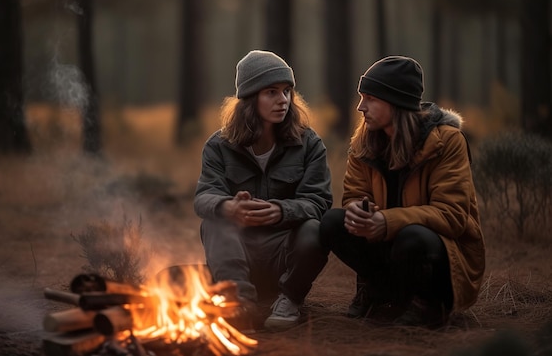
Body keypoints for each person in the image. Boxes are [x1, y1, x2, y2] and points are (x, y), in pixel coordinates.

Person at [319, 55, 486, 328]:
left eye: (371, 98)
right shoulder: (364, 141)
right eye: (362, 97)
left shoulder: (447, 142)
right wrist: (359, 213)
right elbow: (353, 195)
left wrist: (386, 222)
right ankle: (378, 289)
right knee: (332, 223)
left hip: (439, 261)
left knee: (413, 236)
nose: (361, 107)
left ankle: (429, 304)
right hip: (388, 251)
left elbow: (453, 216)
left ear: (396, 102)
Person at [194, 50, 333, 331]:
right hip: (237, 255)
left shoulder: (309, 143)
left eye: (287, 91)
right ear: (250, 98)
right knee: (213, 220)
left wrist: (281, 210)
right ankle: (238, 304)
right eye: (271, 92)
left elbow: (319, 201)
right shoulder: (219, 145)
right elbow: (204, 196)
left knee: (316, 228)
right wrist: (228, 206)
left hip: (284, 255)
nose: (283, 100)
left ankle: (290, 300)